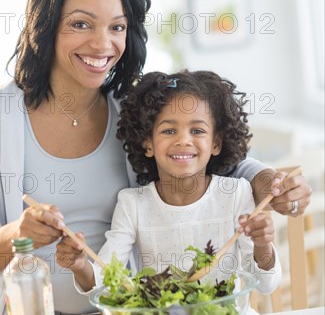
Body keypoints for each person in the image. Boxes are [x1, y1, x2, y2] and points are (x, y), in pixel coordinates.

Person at [0, 0, 310, 315]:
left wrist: (268, 182)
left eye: (117, 27)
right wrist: (20, 234)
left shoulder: (132, 108)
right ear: (46, 25)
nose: (102, 44)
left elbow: (220, 163)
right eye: (81, 24)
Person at [58, 70, 282, 301]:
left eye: (197, 131)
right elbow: (105, 276)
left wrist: (262, 244)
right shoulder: (133, 204)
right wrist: (80, 266)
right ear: (147, 143)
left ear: (216, 143)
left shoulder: (236, 194)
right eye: (168, 131)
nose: (183, 140)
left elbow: (266, 284)